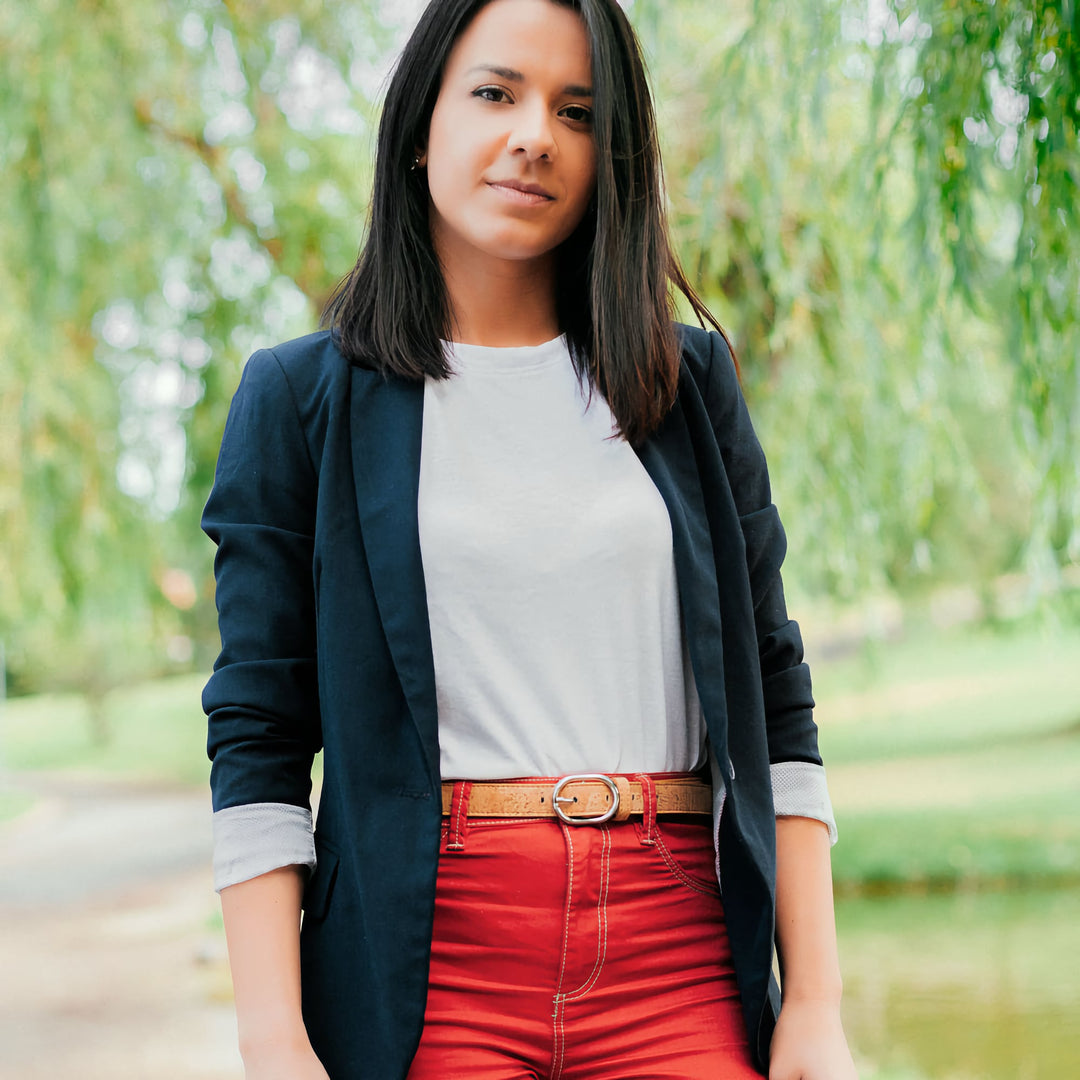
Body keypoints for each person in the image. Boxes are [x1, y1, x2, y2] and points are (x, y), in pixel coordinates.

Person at [202, 0, 859, 1077]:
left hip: (679, 957)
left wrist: (817, 1006)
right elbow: (260, 737)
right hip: (433, 968)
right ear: (420, 126)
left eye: (579, 110)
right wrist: (274, 1041)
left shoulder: (688, 385)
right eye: (496, 93)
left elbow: (776, 704)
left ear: (614, 156)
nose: (535, 136)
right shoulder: (300, 400)